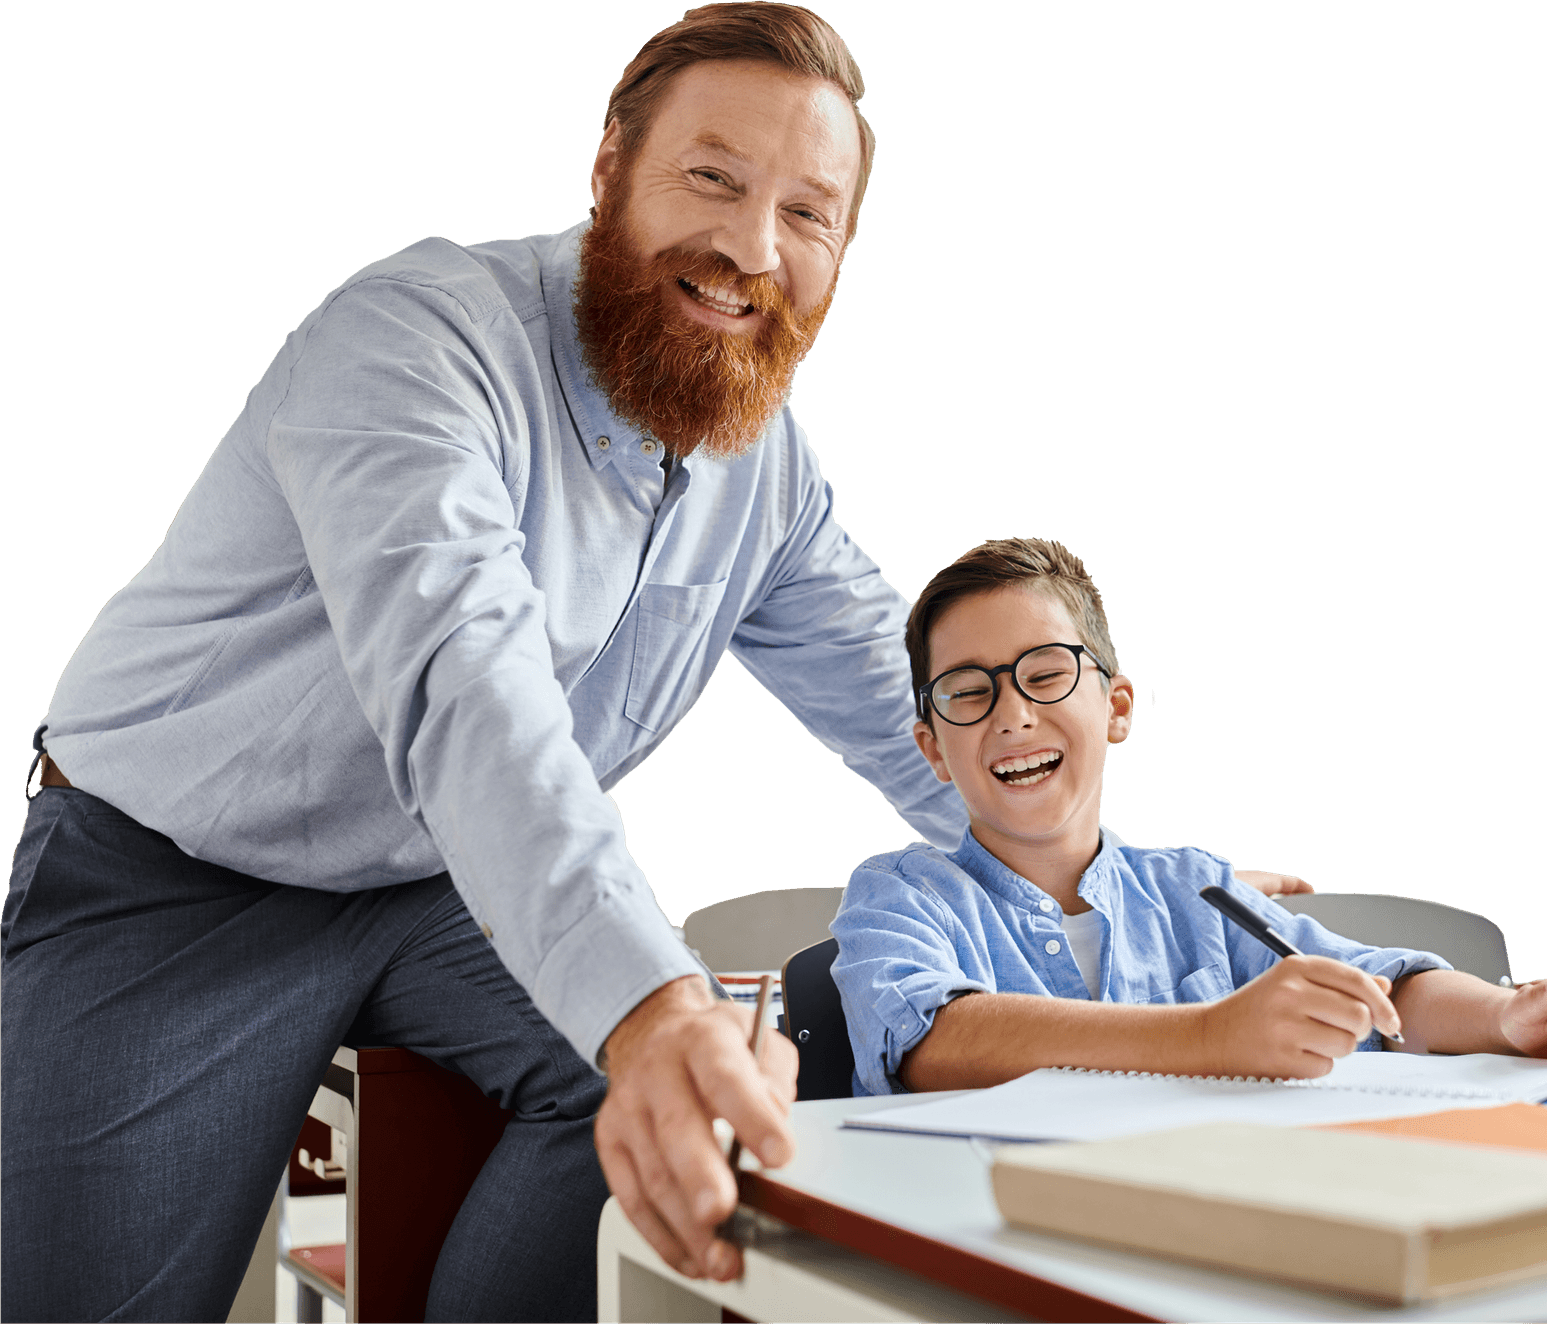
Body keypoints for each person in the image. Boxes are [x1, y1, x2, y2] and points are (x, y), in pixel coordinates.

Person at [4, 7, 915, 1320]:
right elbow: (466, 692)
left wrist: (1104, 879)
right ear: (611, 169)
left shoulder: (759, 468)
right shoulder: (415, 341)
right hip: (169, 880)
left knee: (670, 1088)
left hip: (441, 886)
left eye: (809, 215)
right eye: (711, 179)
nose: (751, 248)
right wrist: (650, 1005)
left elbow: (902, 698)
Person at [831, 538, 1547, 1097]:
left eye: (1046, 673)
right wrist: (1211, 1035)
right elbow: (930, 1041)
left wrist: (1509, 1018)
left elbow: (1384, 990)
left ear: (1117, 707)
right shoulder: (898, 894)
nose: (1011, 714)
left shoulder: (1198, 888)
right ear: (934, 748)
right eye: (968, 692)